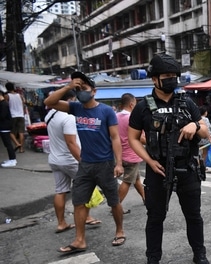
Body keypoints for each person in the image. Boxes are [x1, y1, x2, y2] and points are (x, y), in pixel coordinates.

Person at [127, 53, 211, 264]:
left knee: (194, 216)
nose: (171, 80)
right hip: (158, 171)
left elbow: (206, 133)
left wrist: (195, 124)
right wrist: (149, 161)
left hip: (187, 169)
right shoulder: (143, 106)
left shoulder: (187, 102)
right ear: (154, 79)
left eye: (174, 76)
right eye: (166, 76)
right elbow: (133, 138)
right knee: (155, 218)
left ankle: (199, 253)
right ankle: (153, 259)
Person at [44, 71, 126, 254]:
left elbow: (115, 138)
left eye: (85, 89)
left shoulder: (106, 111)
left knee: (114, 202)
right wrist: (68, 87)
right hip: (84, 164)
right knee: (79, 202)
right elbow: (49, 103)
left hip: (105, 164)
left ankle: (120, 230)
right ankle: (79, 240)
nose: (81, 92)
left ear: (94, 92)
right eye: (79, 89)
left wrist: (119, 163)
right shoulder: (75, 108)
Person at [45, 89, 101, 233]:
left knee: (60, 191)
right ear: (68, 100)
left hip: (54, 158)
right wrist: (82, 161)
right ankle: (87, 217)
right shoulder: (68, 117)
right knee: (85, 188)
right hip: (70, 159)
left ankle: (61, 223)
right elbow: (71, 143)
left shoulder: (50, 114)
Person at [116, 93, 146, 213]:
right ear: (131, 104)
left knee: (136, 178)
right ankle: (116, 206)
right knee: (128, 181)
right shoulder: (133, 118)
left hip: (119, 153)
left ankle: (145, 198)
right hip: (131, 154)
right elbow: (142, 138)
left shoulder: (115, 116)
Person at [5, 82, 27, 153]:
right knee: (21, 132)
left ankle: (17, 144)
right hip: (21, 115)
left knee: (11, 132)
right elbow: (24, 102)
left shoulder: (7, 96)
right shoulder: (19, 95)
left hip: (12, 116)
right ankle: (21, 149)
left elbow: (5, 105)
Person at [0, 85, 17, 168]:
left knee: (8, 144)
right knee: (7, 144)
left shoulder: (3, 104)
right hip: (4, 126)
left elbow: (2, 116)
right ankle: (11, 159)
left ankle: (12, 160)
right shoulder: (3, 104)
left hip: (4, 126)